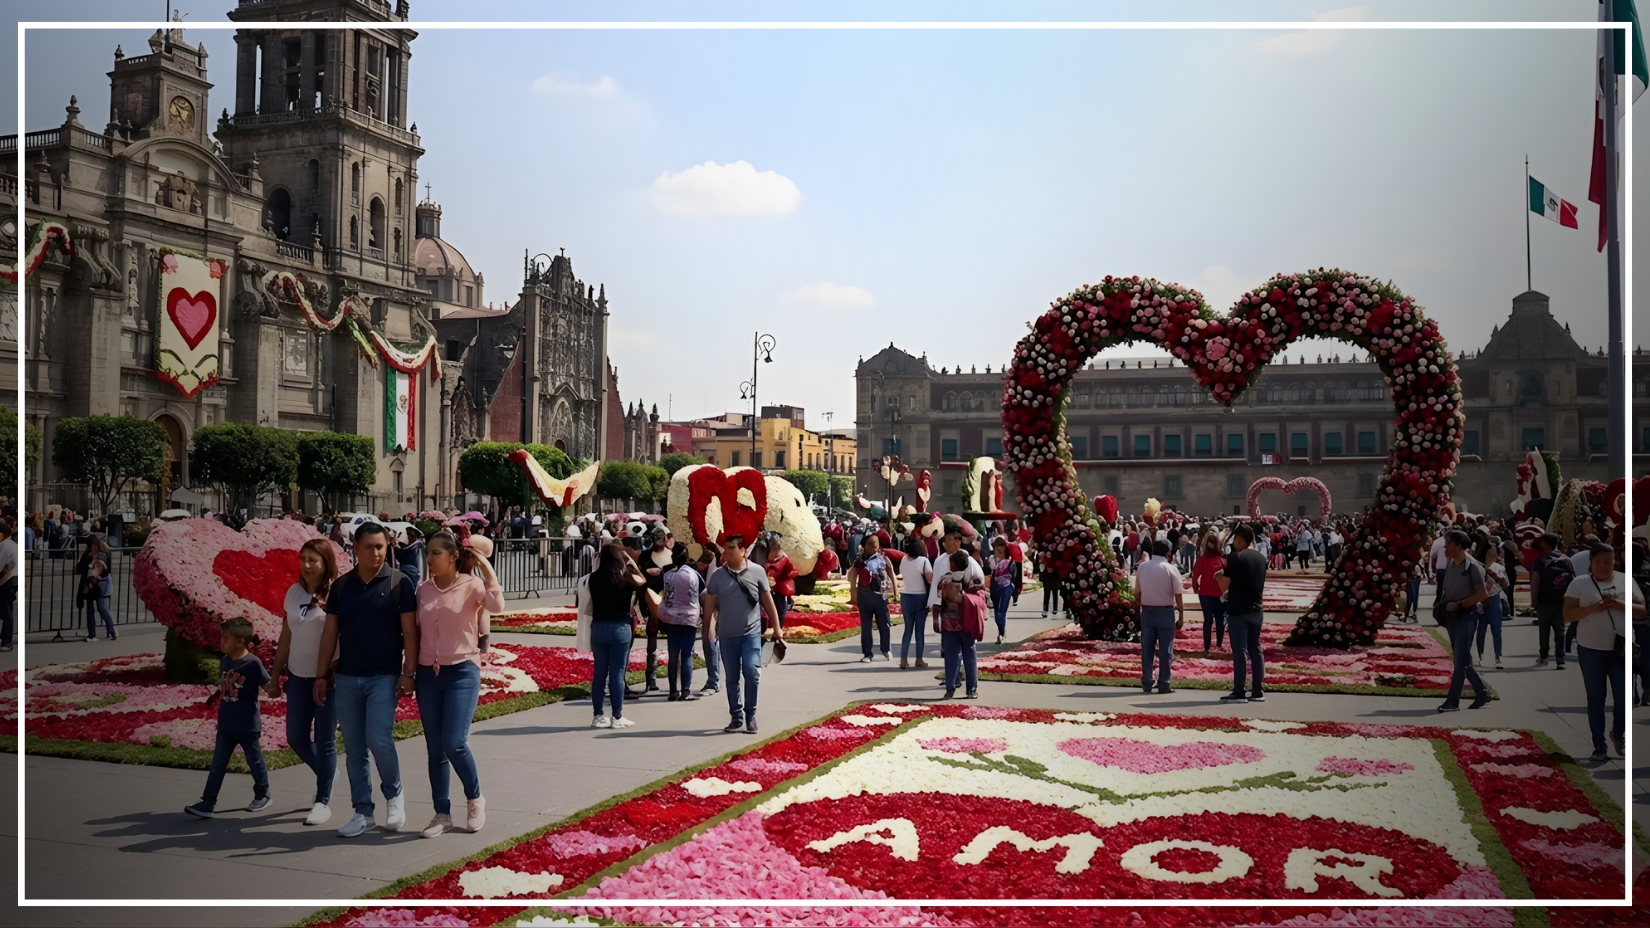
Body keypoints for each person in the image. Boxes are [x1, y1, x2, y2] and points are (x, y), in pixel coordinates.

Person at [314, 522, 420, 838]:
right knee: (355, 748)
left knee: (379, 738)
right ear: (355, 549)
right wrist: (321, 675)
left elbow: (410, 633)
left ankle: (394, 795)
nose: (376, 552)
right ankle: (362, 812)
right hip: (347, 677)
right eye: (369, 547)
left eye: (381, 547)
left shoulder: (401, 583)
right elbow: (329, 633)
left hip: (384, 677)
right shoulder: (342, 587)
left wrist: (408, 673)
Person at [413, 531, 504, 838]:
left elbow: (497, 604)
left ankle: (475, 798)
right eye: (428, 552)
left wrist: (483, 563)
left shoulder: (471, 585)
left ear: (453, 557)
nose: (429, 559)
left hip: (462, 671)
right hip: (428, 674)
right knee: (435, 748)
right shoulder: (422, 589)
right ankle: (441, 814)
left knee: (454, 741)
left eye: (436, 553)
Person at [264, 538, 342, 826]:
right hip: (298, 676)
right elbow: (287, 635)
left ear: (325, 563)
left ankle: (322, 801)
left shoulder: (337, 593)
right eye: (303, 559)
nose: (307, 565)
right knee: (295, 737)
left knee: (325, 741)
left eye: (314, 560)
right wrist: (274, 675)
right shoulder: (294, 592)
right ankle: (327, 774)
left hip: (327, 679)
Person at [184, 618, 272, 819]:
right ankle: (208, 803)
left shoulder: (252, 663)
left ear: (240, 641)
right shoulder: (225, 661)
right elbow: (226, 687)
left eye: (226, 637)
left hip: (247, 724)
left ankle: (263, 794)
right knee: (218, 764)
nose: (221, 641)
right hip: (226, 723)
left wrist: (275, 688)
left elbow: (268, 686)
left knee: (254, 761)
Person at [1563, 544, 1641, 760]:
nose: (1604, 566)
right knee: (1596, 697)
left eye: (1608, 562)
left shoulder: (1625, 580)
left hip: (1621, 649)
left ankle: (1618, 734)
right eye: (1599, 562)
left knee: (1625, 698)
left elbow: (1642, 609)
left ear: (1614, 561)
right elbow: (1567, 615)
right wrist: (1592, 608)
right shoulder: (1579, 583)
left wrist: (1618, 604)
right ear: (1591, 562)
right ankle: (1599, 745)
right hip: (1591, 649)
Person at [704, 535, 783, 734]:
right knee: (731, 677)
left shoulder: (757, 572)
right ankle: (736, 716)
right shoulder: (718, 576)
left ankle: (750, 715)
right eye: (725, 552)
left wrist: (777, 627)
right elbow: (709, 606)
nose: (727, 556)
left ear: (743, 550)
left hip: (751, 634)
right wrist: (708, 630)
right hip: (727, 635)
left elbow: (768, 602)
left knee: (752, 673)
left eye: (731, 552)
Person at [586, 543, 647, 729]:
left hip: (598, 627)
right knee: (617, 673)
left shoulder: (593, 578)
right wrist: (630, 562)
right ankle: (617, 716)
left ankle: (598, 716)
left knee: (599, 673)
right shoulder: (625, 579)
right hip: (620, 626)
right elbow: (642, 581)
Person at [1435, 530, 1491, 713]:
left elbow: (1482, 594)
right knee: (1464, 659)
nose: (1445, 547)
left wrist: (1459, 605)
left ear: (1458, 545)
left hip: (1466, 616)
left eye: (1448, 543)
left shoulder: (1472, 566)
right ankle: (1482, 692)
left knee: (1460, 662)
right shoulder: (1452, 563)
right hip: (1452, 617)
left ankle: (1453, 701)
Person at [1217, 523, 1268, 703]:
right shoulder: (1261, 558)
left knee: (1240, 651)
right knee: (1255, 649)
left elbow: (1226, 584)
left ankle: (1239, 691)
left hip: (1238, 610)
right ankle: (1258, 690)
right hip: (1257, 609)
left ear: (1239, 540)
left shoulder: (1236, 557)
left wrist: (1218, 579)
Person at [1137, 539, 1186, 693]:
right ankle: (1164, 682)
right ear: (1168, 553)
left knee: (1147, 649)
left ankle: (1146, 681)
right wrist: (1181, 616)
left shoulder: (1142, 568)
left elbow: (1137, 593)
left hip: (1147, 611)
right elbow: (1178, 595)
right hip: (1165, 612)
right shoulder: (1171, 569)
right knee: (1166, 650)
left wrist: (1142, 605)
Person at [934, 550, 983, 699]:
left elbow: (938, 601)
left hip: (949, 624)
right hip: (968, 622)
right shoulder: (973, 580)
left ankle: (950, 687)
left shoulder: (945, 580)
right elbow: (980, 597)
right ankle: (972, 690)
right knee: (970, 655)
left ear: (953, 564)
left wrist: (936, 619)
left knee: (951, 656)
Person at [658, 543, 705, 700]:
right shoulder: (692, 574)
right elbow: (701, 591)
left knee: (673, 654)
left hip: (671, 618)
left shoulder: (667, 574)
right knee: (686, 654)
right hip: (688, 617)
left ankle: (672, 691)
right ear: (686, 557)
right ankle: (685, 690)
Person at [849, 535, 898, 662]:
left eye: (875, 544)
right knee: (866, 626)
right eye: (870, 544)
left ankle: (886, 649)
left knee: (884, 624)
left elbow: (891, 570)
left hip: (880, 596)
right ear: (865, 546)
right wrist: (853, 592)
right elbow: (853, 576)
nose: (873, 546)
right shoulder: (859, 561)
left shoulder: (882, 557)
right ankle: (867, 653)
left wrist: (896, 590)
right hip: (864, 596)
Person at [639, 526, 674, 695]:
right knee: (651, 641)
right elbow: (640, 582)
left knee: (674, 643)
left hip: (670, 604)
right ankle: (650, 678)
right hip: (650, 604)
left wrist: (660, 572)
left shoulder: (673, 556)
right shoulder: (645, 556)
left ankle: (675, 681)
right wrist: (644, 609)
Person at [1532, 533, 1575, 668]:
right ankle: (1560, 660)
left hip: (1543, 601)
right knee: (1559, 630)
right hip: (1560, 601)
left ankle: (1544, 656)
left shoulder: (1539, 561)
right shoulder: (1566, 560)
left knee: (1544, 630)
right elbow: (1573, 580)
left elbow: (1535, 581)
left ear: (1545, 543)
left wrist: (1534, 600)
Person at [898, 536, 934, 670]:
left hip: (906, 596)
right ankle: (919, 659)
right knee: (919, 631)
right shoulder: (924, 561)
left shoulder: (903, 559)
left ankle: (903, 659)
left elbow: (902, 573)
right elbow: (930, 580)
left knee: (907, 630)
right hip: (920, 597)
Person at [1190, 530, 1227, 653]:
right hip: (1216, 595)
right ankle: (1216, 645)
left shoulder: (1202, 560)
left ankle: (1209, 647)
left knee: (1211, 620)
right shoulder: (1221, 561)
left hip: (1206, 594)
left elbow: (1195, 575)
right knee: (1217, 619)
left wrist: (1195, 586)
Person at [1475, 541, 1508, 670]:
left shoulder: (1499, 568)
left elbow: (1505, 584)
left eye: (1495, 552)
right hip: (1482, 600)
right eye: (1490, 552)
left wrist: (1497, 580)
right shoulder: (1477, 567)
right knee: (1481, 629)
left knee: (1496, 630)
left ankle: (1498, 656)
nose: (1493, 555)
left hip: (1495, 599)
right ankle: (1480, 656)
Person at [694, 547, 722, 696]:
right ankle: (713, 679)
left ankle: (715, 680)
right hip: (713, 600)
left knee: (713, 638)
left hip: (724, 603)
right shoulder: (716, 564)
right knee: (709, 637)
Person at [77, 536, 116, 640]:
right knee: (100, 607)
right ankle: (109, 629)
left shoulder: (99, 556)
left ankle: (95, 633)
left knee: (96, 607)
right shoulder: (103, 553)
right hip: (100, 584)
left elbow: (95, 571)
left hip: (96, 584)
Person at [764, 534, 799, 631]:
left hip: (782, 588)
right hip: (776, 588)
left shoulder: (783, 557)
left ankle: (778, 629)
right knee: (775, 610)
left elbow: (793, 571)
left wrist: (780, 577)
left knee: (780, 611)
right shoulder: (776, 556)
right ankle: (776, 629)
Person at [987, 537, 1016, 644]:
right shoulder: (992, 560)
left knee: (1001, 611)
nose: (999, 549)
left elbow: (1015, 577)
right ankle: (1001, 630)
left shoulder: (1010, 562)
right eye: (997, 546)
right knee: (996, 613)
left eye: (1001, 546)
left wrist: (1015, 593)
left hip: (1007, 588)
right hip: (995, 588)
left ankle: (1001, 634)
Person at [0, 520, 16, 652]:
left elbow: (1, 566)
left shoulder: (5, 546)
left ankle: (6, 641)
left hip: (6, 581)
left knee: (6, 612)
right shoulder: (11, 544)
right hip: (11, 581)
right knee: (6, 611)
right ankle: (6, 640)